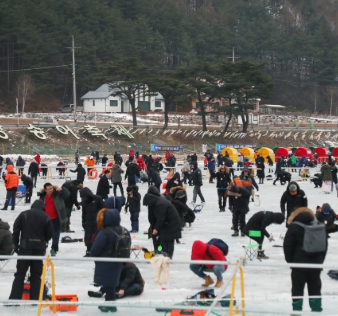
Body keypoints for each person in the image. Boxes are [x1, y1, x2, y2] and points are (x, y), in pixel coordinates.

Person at [283, 207, 327, 313]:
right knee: (315, 289)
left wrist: (291, 262)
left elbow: (287, 246)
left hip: (299, 265)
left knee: (297, 290)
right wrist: (320, 261)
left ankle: (297, 312)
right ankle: (316, 311)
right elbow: (324, 246)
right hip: (315, 266)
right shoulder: (319, 226)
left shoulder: (294, 227)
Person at [8, 200, 53, 301]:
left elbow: (16, 228)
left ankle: (14, 299)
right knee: (36, 275)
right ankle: (35, 299)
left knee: (20, 274)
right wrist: (43, 241)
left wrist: (15, 243)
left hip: (25, 248)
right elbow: (50, 233)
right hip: (39, 249)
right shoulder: (46, 217)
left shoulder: (23, 214)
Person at [90, 208, 128, 312]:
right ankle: (110, 303)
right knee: (111, 283)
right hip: (118, 260)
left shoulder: (104, 232)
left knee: (108, 285)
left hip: (106, 261)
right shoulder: (123, 230)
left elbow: (95, 249)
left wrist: (93, 255)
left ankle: (110, 305)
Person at [143, 186, 181, 258]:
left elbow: (161, 218)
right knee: (163, 239)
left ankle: (167, 255)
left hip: (171, 224)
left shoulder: (160, 203)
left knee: (168, 240)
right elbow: (153, 217)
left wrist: (156, 228)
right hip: (165, 224)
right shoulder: (156, 202)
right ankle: (161, 252)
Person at [38, 183, 70, 256]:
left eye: (51, 188)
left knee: (55, 235)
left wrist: (62, 189)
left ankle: (54, 249)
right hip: (45, 220)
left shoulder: (58, 194)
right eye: (48, 189)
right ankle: (42, 248)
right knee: (43, 235)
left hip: (56, 219)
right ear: (45, 190)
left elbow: (67, 194)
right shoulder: (42, 197)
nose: (50, 190)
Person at [80, 187, 105, 256]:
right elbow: (83, 213)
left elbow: (103, 209)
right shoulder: (84, 202)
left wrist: (102, 220)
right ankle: (88, 250)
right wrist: (83, 222)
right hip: (88, 222)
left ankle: (98, 251)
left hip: (97, 222)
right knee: (88, 237)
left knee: (97, 237)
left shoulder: (98, 199)